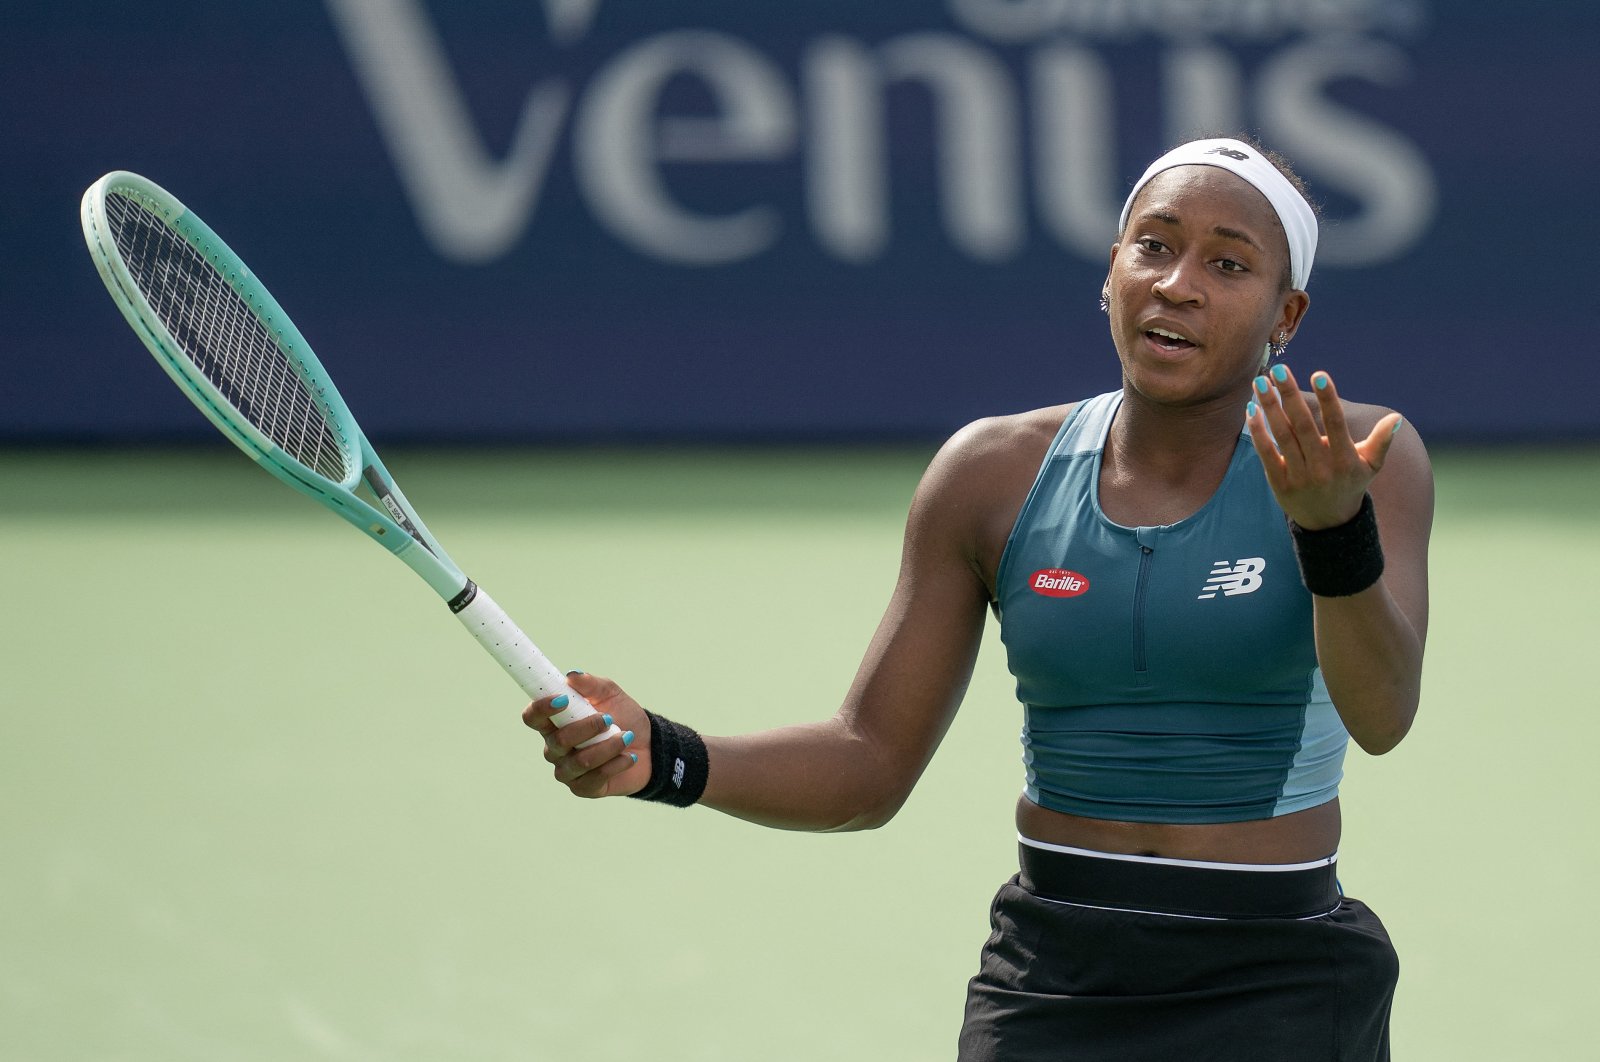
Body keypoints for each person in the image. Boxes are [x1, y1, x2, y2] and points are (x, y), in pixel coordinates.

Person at [523, 135, 1432, 1061]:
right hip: (1051, 979)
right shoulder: (991, 476)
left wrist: (1331, 530)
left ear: (1288, 312)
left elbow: (1383, 713)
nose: (1178, 284)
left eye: (1228, 263)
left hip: (1278, 978)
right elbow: (869, 760)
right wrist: (665, 756)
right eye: (1152, 246)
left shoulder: (1357, 459)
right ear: (1110, 271)